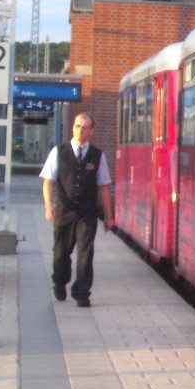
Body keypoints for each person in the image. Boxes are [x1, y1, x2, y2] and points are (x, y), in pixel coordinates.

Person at [40, 112, 116, 307]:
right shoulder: (58, 152)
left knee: (85, 252)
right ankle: (59, 281)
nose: (79, 131)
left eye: (84, 128)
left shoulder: (97, 155)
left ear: (91, 131)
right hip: (64, 210)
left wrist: (108, 215)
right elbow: (48, 182)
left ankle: (82, 293)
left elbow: (103, 186)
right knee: (61, 251)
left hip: (87, 211)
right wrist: (49, 206)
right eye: (76, 126)